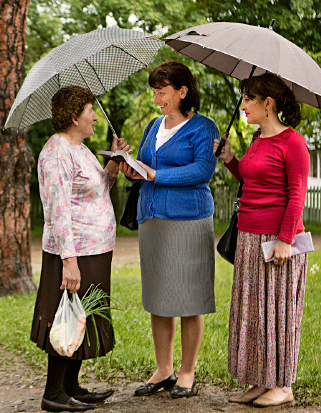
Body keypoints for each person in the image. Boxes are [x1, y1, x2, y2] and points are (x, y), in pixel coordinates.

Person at [118, 61, 220, 398]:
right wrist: (132, 169)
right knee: (159, 297)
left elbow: (202, 171)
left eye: (162, 91)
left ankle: (187, 371)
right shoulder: (152, 124)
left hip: (190, 220)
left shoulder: (204, 128)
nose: (156, 98)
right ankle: (164, 369)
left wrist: (154, 176)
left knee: (190, 297)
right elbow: (147, 166)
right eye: (154, 92)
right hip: (152, 219)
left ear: (182, 91)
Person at [30, 86, 131, 412]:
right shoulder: (57, 153)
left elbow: (96, 190)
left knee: (83, 316)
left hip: (95, 249)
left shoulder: (81, 148)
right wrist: (69, 263)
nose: (95, 116)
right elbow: (58, 212)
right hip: (74, 253)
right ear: (74, 116)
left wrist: (113, 167)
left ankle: (71, 386)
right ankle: (53, 394)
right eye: (90, 110)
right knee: (67, 318)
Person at [213, 72, 310, 408]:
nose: (243, 105)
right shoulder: (257, 140)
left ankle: (282, 384)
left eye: (247, 99)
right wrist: (229, 160)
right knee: (254, 312)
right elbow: (250, 180)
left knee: (278, 313)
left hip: (278, 241)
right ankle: (260, 380)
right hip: (249, 238)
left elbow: (297, 193)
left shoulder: (293, 142)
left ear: (267, 103)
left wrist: (285, 240)